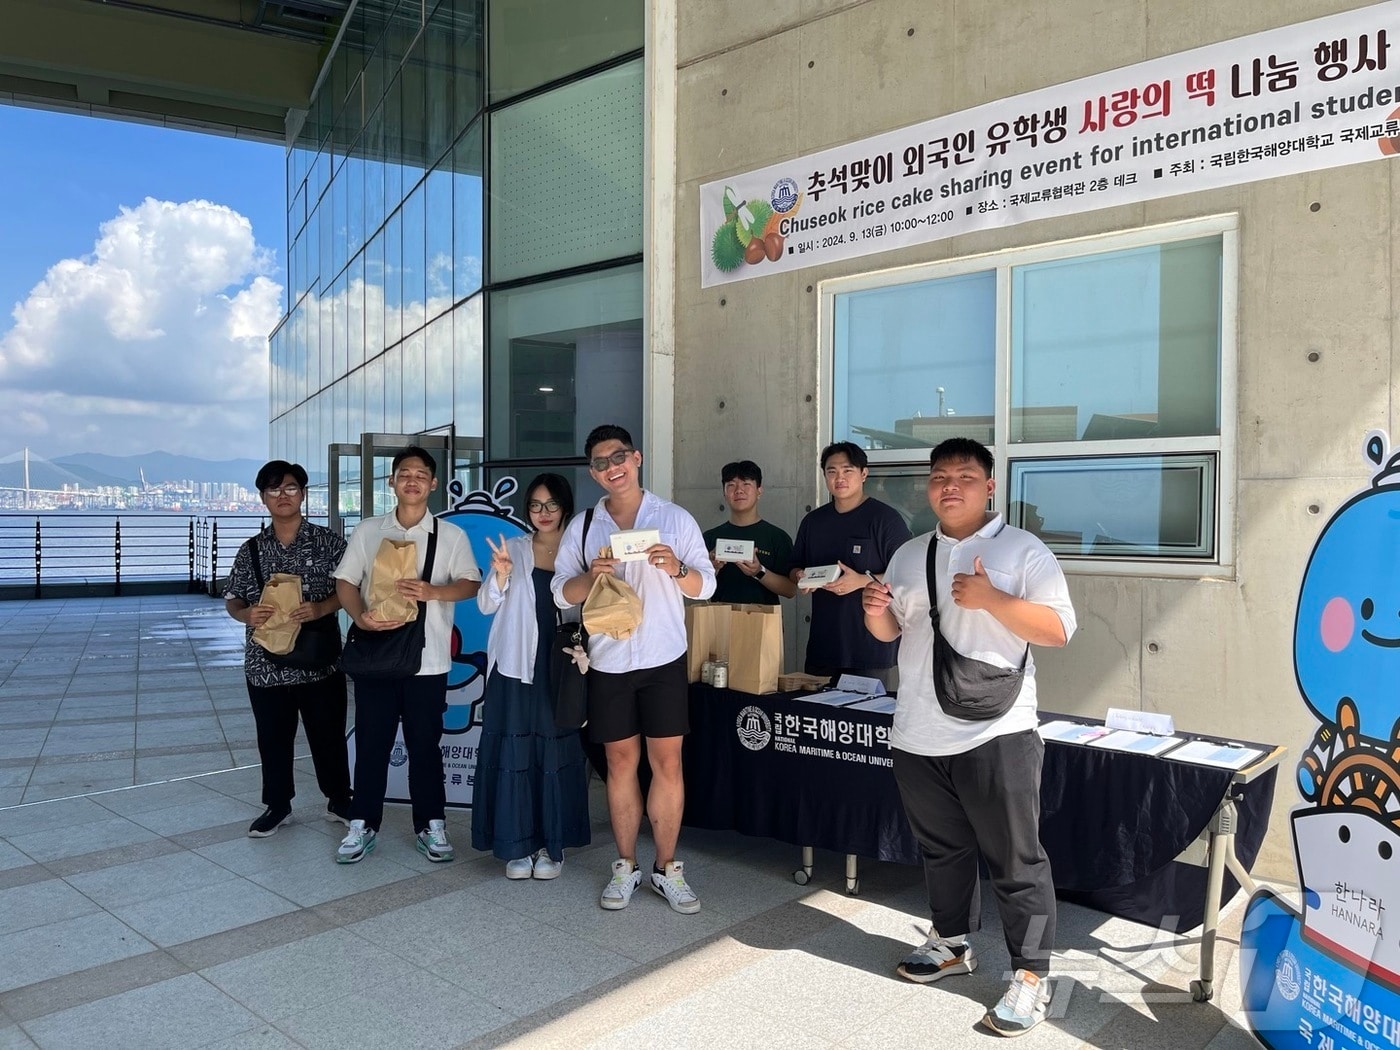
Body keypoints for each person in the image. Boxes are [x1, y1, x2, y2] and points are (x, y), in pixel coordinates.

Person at [861, 437, 1076, 1038]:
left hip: (998, 729)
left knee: (1017, 860)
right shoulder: (907, 554)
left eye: (963, 475)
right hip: (918, 729)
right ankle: (951, 943)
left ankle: (1032, 974)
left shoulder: (1022, 550)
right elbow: (891, 632)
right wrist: (874, 607)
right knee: (942, 850)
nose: (948, 486)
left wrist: (995, 599)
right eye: (938, 477)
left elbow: (1059, 629)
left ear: (989, 487)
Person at [552, 424, 716, 914]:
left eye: (618, 456)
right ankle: (625, 865)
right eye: (600, 463)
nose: (611, 468)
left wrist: (675, 567)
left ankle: (667, 869)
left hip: (663, 658)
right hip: (607, 661)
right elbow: (560, 592)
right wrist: (589, 577)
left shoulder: (673, 518)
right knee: (620, 765)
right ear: (592, 472)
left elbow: (705, 586)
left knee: (668, 764)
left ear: (637, 457)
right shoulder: (584, 526)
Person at [332, 446, 481, 864]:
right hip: (376, 657)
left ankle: (431, 824)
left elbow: (471, 583)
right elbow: (345, 581)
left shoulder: (449, 536)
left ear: (433, 484)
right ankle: (362, 823)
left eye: (420, 474)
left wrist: (434, 592)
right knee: (372, 743)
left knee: (424, 746)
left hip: (428, 660)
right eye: (403, 473)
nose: (412, 480)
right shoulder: (369, 531)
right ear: (392, 482)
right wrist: (359, 617)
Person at [224, 460, 352, 837]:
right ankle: (277, 805)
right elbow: (232, 598)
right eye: (274, 490)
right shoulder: (250, 550)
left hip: (319, 660)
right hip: (267, 664)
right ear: (263, 498)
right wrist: (245, 613)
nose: (283, 496)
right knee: (273, 737)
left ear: (304, 494)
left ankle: (340, 798)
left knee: (328, 733)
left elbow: (350, 590)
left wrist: (321, 607)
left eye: (291, 488)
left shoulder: (329, 543)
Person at [472, 473, 591, 879]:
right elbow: (486, 606)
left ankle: (551, 846)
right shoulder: (515, 550)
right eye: (536, 505)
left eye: (551, 505)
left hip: (561, 667)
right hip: (514, 667)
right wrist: (501, 574)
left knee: (553, 752)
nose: (543, 513)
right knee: (515, 752)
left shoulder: (580, 553)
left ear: (565, 509)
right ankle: (516, 844)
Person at [790, 441, 911, 686]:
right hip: (823, 645)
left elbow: (907, 573)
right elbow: (793, 568)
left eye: (848, 470)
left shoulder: (885, 519)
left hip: (870, 649)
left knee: (863, 721)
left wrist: (862, 581)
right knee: (817, 718)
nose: (839, 477)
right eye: (831, 471)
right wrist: (801, 576)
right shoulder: (813, 521)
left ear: (863, 473)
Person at [703, 460, 795, 605]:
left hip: (764, 623)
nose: (739, 490)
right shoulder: (709, 537)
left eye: (746, 484)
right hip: (719, 622)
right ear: (724, 493)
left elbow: (790, 590)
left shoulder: (777, 537)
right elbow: (695, 590)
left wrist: (758, 571)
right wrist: (711, 567)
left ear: (759, 490)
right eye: (731, 485)